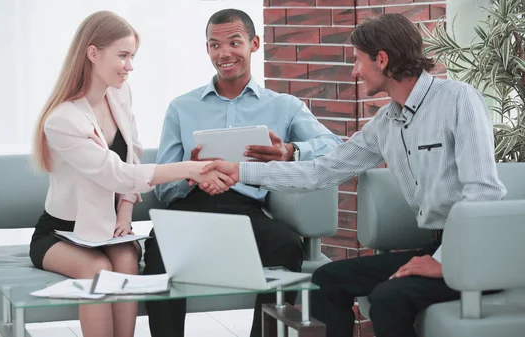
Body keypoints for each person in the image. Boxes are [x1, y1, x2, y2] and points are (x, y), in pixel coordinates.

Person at [201, 13, 507, 337]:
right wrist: (239, 171)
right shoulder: (386, 123)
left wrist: (446, 261)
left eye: (358, 60)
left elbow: (484, 192)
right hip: (439, 247)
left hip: (479, 252)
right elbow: (321, 171)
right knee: (327, 280)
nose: (355, 71)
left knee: (388, 298)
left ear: (382, 59)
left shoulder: (458, 100)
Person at [29, 11, 232, 337]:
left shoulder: (118, 93)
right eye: (122, 56)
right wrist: (189, 169)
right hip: (61, 233)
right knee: (98, 270)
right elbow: (117, 173)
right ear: (93, 53)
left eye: (132, 56)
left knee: (126, 263)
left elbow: (132, 151)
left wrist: (125, 211)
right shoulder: (63, 120)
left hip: (109, 227)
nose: (130, 65)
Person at [143, 8, 342, 337]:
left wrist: (290, 151)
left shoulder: (283, 106)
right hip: (190, 206)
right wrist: (189, 175)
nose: (224, 53)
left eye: (234, 42)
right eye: (214, 45)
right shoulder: (181, 108)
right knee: (158, 247)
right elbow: (162, 187)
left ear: (254, 44)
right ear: (207, 49)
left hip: (248, 209)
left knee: (286, 246)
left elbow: (335, 147)